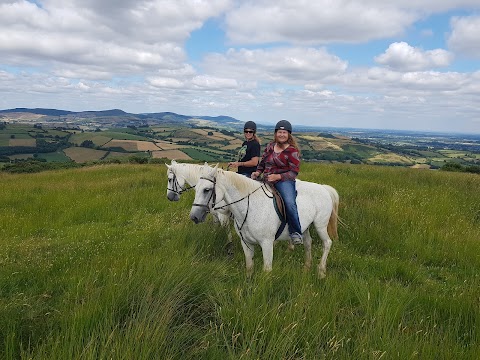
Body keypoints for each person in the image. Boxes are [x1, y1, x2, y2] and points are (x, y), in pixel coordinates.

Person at [251, 120, 303, 245]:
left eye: (284, 132)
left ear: (288, 134)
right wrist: (257, 172)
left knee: (289, 203)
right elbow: (262, 163)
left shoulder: (292, 151)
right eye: (279, 132)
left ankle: (295, 232)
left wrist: (278, 176)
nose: (281, 135)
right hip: (266, 179)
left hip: (284, 181)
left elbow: (294, 172)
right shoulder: (270, 146)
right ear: (276, 133)